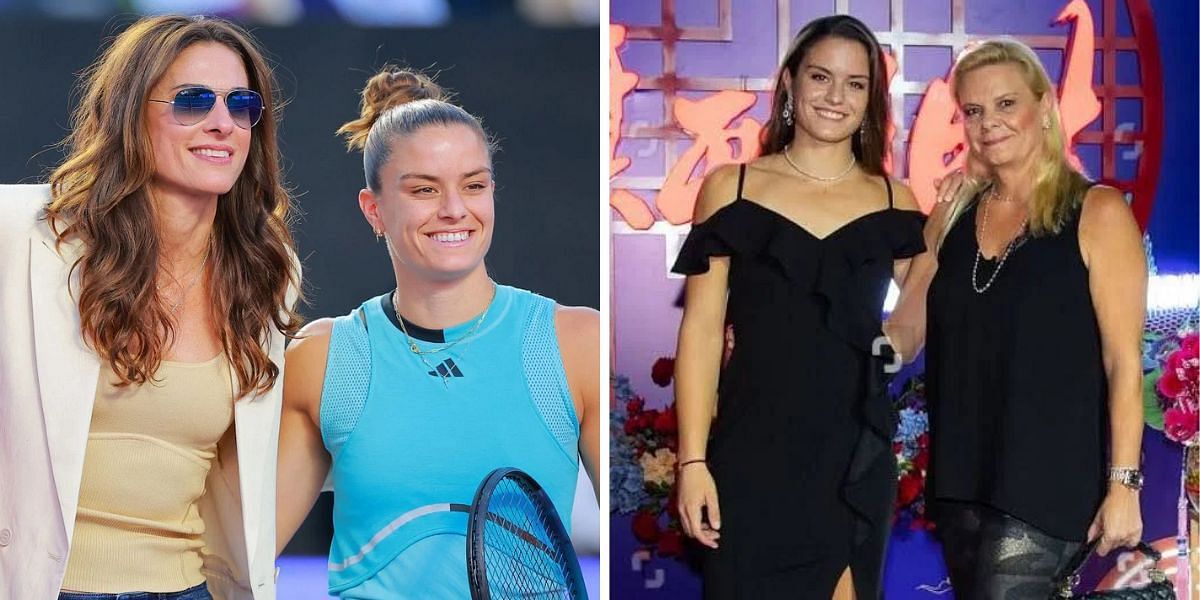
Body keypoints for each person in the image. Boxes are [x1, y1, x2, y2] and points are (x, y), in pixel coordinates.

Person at [0, 15, 301, 600]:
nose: (222, 123)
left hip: (187, 589)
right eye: (192, 101)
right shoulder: (24, 236)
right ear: (130, 114)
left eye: (241, 104)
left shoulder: (266, 268)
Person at [275, 67, 600, 598]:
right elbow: (241, 554)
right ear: (373, 210)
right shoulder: (324, 356)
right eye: (425, 189)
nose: (455, 209)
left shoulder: (574, 343)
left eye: (474, 185)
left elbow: (637, 538)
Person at [671, 15, 926, 599]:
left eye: (856, 84)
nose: (836, 97)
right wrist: (691, 462)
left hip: (851, 461)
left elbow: (932, 300)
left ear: (872, 99)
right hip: (750, 456)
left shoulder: (894, 201)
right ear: (789, 83)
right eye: (820, 77)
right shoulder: (731, 188)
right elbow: (703, 332)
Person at [888, 39, 1146, 598]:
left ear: (1044, 106)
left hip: (1045, 486)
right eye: (974, 111)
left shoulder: (1097, 211)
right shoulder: (956, 213)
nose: (989, 124)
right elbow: (908, 321)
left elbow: (1124, 362)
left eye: (1006, 104)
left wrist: (1124, 483)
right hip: (962, 483)